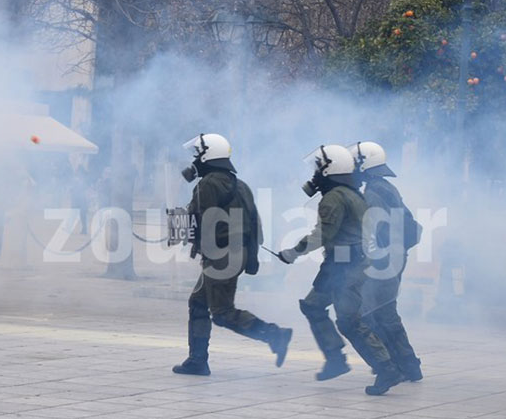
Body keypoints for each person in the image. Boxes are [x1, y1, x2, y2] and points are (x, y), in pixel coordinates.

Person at [277, 144, 403, 396]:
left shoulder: (334, 197)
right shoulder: (351, 193)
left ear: (330, 168)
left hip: (345, 267)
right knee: (313, 306)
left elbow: (324, 233)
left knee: (348, 320)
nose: (314, 174)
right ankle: (335, 358)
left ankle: (386, 367)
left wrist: (293, 252)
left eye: (318, 168)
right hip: (341, 264)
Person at [172, 133, 292, 376]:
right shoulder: (241, 185)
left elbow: (201, 218)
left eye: (198, 155)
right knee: (198, 302)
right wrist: (251, 257)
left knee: (222, 313)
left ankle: (275, 335)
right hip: (236, 253)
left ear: (207, 156)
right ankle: (197, 360)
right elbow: (255, 223)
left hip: (221, 256)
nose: (194, 160)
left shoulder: (207, 184)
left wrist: (182, 226)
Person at [349, 141, 423, 382]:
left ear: (365, 166)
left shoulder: (373, 193)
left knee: (366, 315)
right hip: (393, 257)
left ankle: (392, 366)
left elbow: (372, 230)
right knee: (385, 312)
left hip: (382, 262)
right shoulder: (384, 187)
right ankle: (408, 366)